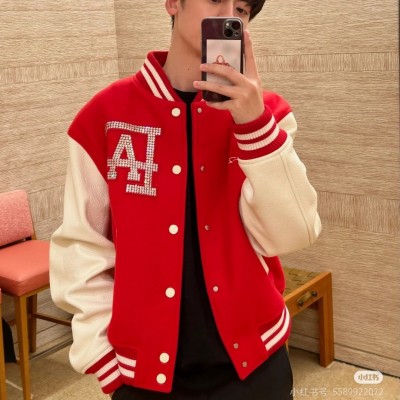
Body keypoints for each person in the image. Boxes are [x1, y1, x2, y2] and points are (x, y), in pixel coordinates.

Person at [50, 0, 321, 399]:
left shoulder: (268, 117)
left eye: (241, 9)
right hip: (142, 376)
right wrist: (103, 357)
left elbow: (293, 234)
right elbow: (82, 245)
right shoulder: (104, 117)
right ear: (172, 2)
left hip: (256, 365)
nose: (227, 15)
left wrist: (254, 125)